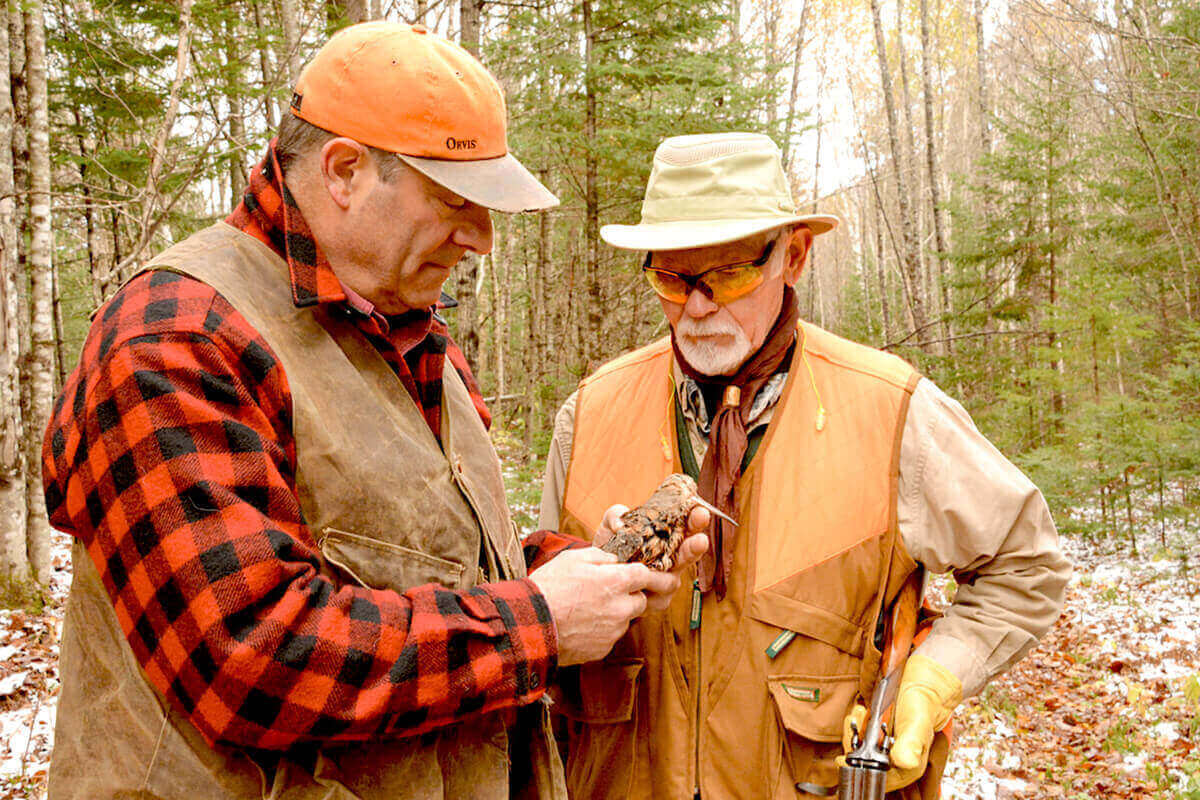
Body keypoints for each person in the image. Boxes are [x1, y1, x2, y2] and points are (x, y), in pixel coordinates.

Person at [41, 22, 707, 800]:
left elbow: (414, 561)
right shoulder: (174, 337)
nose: (482, 238)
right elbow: (252, 656)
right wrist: (540, 622)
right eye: (455, 200)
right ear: (345, 171)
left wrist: (574, 573)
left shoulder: (409, 328)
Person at [538, 132, 1071, 799]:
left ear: (793, 256)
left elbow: (1027, 566)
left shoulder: (891, 410)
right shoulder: (589, 414)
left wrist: (935, 676)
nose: (697, 308)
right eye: (672, 278)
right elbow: (532, 604)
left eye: (729, 275)